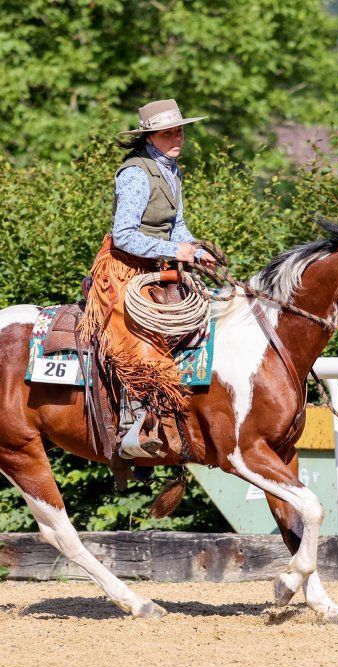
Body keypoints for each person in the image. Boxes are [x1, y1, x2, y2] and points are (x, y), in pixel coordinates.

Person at [81, 99, 214, 458]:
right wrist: (177, 251)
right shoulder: (135, 174)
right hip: (122, 270)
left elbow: (177, 226)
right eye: (168, 133)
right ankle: (133, 422)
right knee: (138, 343)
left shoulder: (172, 170)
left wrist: (196, 249)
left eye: (180, 131)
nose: (177, 138)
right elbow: (123, 235)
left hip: (157, 269)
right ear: (150, 137)